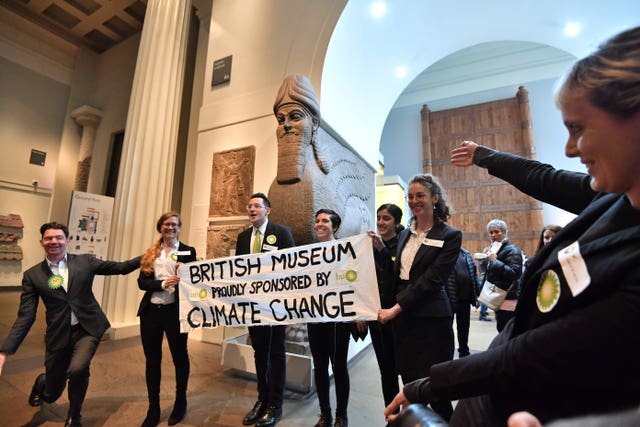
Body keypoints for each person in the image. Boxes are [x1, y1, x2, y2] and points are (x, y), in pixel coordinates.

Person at [384, 25, 640, 426]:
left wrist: (427, 386)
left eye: (578, 128)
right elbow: (546, 177)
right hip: (500, 383)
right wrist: (486, 156)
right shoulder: (610, 196)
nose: (571, 148)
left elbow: (536, 351)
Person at [0, 222, 141, 427]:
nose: (54, 241)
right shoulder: (33, 275)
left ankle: (75, 416)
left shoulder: (85, 262)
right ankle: (43, 383)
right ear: (41, 242)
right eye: (48, 238)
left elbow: (120, 268)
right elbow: (26, 316)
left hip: (88, 329)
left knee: (78, 369)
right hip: (59, 334)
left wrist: (147, 257)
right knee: (52, 394)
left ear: (68, 240)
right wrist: (4, 352)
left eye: (58, 237)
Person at [376, 174, 462, 422]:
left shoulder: (450, 235)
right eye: (411, 196)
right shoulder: (404, 234)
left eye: (420, 195)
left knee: (436, 390)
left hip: (431, 319)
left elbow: (432, 280)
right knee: (410, 385)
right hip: (404, 320)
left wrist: (395, 308)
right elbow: (397, 275)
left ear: (435, 198)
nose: (414, 201)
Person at [236, 192, 295, 427]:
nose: (252, 209)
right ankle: (262, 400)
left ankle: (275, 405)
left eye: (257, 206)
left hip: (275, 306)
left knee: (276, 353)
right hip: (252, 305)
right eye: (249, 206)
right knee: (259, 352)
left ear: (267, 211)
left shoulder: (282, 233)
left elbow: (292, 267)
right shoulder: (242, 237)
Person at [137, 212, 197, 427]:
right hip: (151, 313)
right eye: (166, 224)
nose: (170, 228)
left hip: (176, 313)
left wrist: (187, 272)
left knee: (180, 357)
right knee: (152, 361)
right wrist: (161, 284)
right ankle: (153, 408)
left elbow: (196, 282)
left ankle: (181, 401)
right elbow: (142, 283)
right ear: (160, 227)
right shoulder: (151, 253)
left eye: (174, 224)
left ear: (180, 227)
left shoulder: (189, 251)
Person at [307, 209, 352, 427]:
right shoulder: (307, 253)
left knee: (339, 367)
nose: (319, 224)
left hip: (338, 322)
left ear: (334, 227)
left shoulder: (345, 251)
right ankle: (325, 414)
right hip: (315, 320)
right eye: (317, 221)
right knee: (320, 366)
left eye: (325, 221)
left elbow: (353, 283)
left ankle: (341, 415)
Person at [366, 204, 403, 411]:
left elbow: (397, 276)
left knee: (405, 370)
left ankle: (410, 416)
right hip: (377, 319)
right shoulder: (370, 246)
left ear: (396, 222)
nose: (381, 222)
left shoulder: (403, 245)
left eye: (386, 218)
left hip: (398, 317)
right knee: (386, 371)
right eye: (379, 217)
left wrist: (382, 251)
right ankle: (391, 414)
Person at [479, 219, 523, 332]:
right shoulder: (494, 249)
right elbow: (488, 273)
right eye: (491, 232)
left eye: (496, 232)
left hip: (508, 297)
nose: (493, 235)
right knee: (501, 328)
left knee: (506, 331)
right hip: (496, 296)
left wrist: (494, 261)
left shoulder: (512, 250)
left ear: (504, 233)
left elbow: (514, 273)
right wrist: (484, 260)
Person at [446, 248, 479, 357]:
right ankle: (448, 353)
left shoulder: (466, 253)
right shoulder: (445, 252)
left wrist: (477, 293)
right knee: (447, 329)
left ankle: (464, 352)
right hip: (450, 297)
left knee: (464, 328)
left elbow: (473, 274)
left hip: (465, 298)